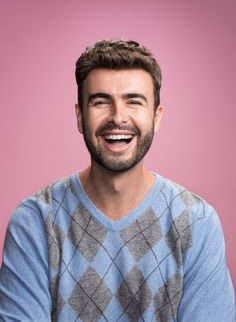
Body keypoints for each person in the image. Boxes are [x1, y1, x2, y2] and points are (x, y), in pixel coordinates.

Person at [0, 39, 235, 322]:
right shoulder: (35, 222)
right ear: (80, 116)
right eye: (101, 102)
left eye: (134, 101)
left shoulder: (196, 223)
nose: (118, 117)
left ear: (156, 117)